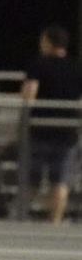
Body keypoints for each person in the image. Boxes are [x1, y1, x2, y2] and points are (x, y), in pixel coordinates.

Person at [21, 25, 81, 224]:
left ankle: (21, 218)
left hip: (40, 129)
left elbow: (29, 94)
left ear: (47, 42)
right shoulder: (76, 67)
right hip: (67, 131)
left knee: (31, 179)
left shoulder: (38, 64)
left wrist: (24, 117)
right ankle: (54, 222)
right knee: (60, 180)